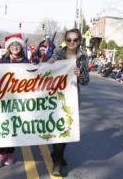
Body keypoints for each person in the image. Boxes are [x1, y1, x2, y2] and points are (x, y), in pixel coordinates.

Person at [48, 28, 90, 176]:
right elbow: (46, 70)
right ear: (65, 40)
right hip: (55, 94)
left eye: (75, 40)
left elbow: (86, 81)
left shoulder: (82, 57)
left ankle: (57, 155)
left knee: (66, 126)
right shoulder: (58, 53)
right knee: (56, 126)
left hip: (72, 95)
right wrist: (50, 63)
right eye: (69, 39)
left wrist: (79, 75)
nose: (72, 42)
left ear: (79, 41)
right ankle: (58, 162)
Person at [0, 33, 29, 168]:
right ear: (8, 47)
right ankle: (1, 153)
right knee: (3, 125)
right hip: (4, 98)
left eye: (17, 45)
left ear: (21, 47)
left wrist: (38, 63)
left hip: (19, 99)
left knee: (14, 126)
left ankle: (10, 153)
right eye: (12, 45)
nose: (15, 47)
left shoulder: (26, 62)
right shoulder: (2, 61)